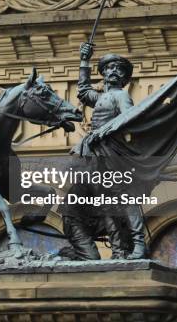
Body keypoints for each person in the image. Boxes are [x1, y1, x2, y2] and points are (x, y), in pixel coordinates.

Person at [67, 42, 145, 260]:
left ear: (123, 77)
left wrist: (102, 133)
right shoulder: (101, 97)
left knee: (126, 199)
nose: (113, 72)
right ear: (103, 73)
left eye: (118, 69)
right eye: (109, 68)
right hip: (97, 156)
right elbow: (83, 92)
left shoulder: (121, 96)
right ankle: (118, 249)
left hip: (114, 155)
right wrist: (85, 60)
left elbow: (128, 120)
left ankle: (138, 244)